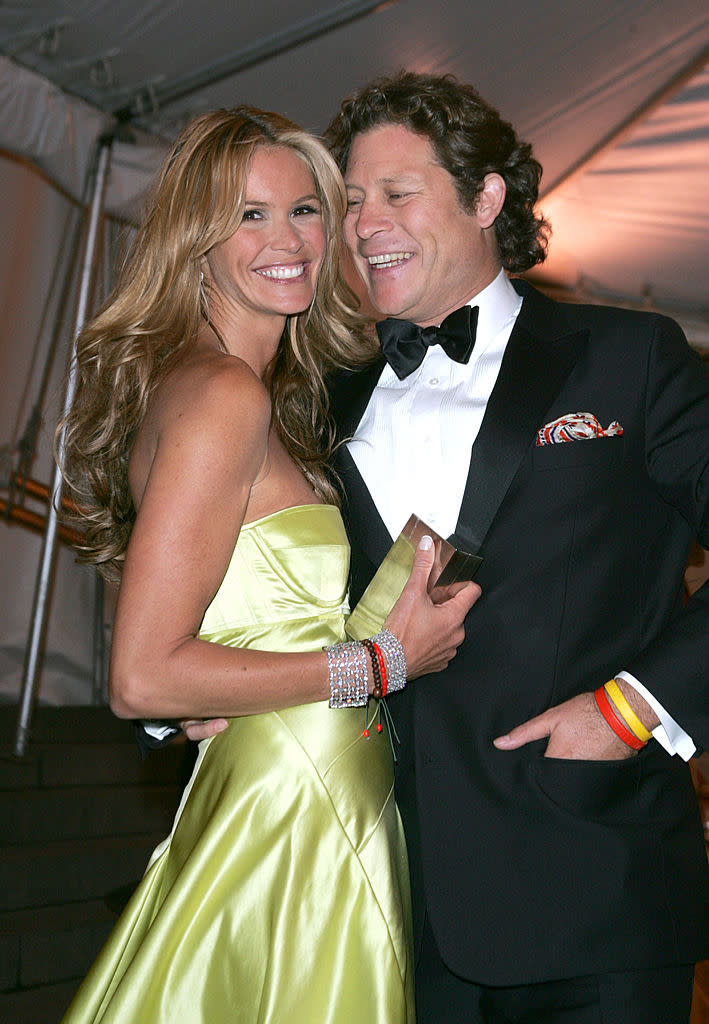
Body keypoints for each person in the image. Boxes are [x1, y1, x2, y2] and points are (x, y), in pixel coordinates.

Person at [57, 105, 479, 1024]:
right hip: (292, 800)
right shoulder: (222, 396)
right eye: (249, 215)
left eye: (305, 211)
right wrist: (377, 663)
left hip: (303, 775)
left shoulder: (252, 391)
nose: (287, 240)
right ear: (192, 240)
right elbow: (140, 675)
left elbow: (229, 615)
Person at [317, 71, 709, 1022]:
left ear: (486, 197)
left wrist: (633, 709)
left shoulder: (630, 358)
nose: (366, 224)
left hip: (594, 888)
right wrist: (186, 704)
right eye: (352, 201)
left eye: (396, 194)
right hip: (385, 902)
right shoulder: (315, 394)